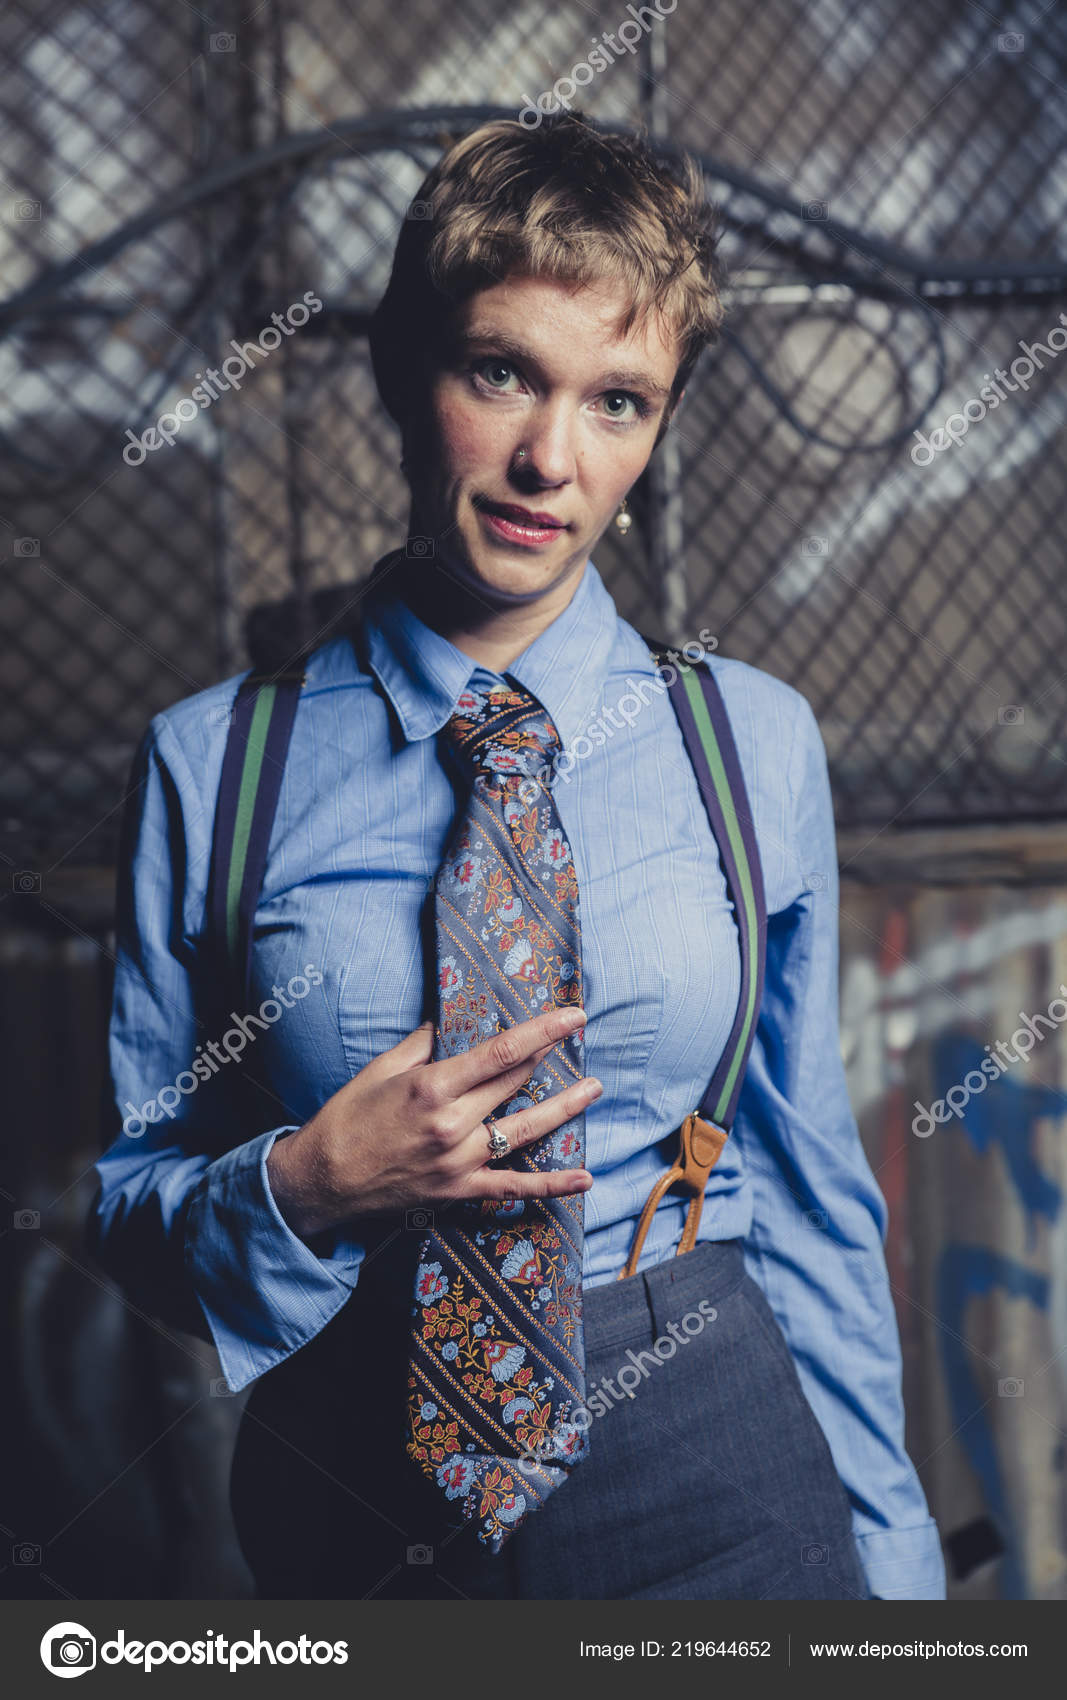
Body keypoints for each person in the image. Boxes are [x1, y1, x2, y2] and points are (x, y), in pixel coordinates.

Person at [87, 110, 945, 1602]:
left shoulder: (749, 743)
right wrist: (304, 1182)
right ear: (404, 372)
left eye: (620, 400)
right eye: (504, 373)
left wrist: (898, 1571)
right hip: (352, 1465)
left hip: (711, 1451)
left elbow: (810, 1195)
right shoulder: (217, 764)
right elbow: (124, 1205)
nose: (553, 457)